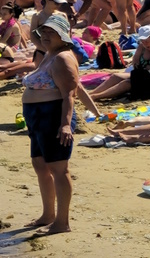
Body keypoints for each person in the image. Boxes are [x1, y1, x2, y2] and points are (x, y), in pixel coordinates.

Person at [20, 14, 97, 233]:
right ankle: (47, 215)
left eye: (50, 32)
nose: (44, 36)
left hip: (52, 115)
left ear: (62, 36)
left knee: (58, 168)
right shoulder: (49, 54)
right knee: (40, 165)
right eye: (43, 32)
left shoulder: (63, 57)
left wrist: (65, 124)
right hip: (36, 117)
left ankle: (62, 222)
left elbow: (69, 95)